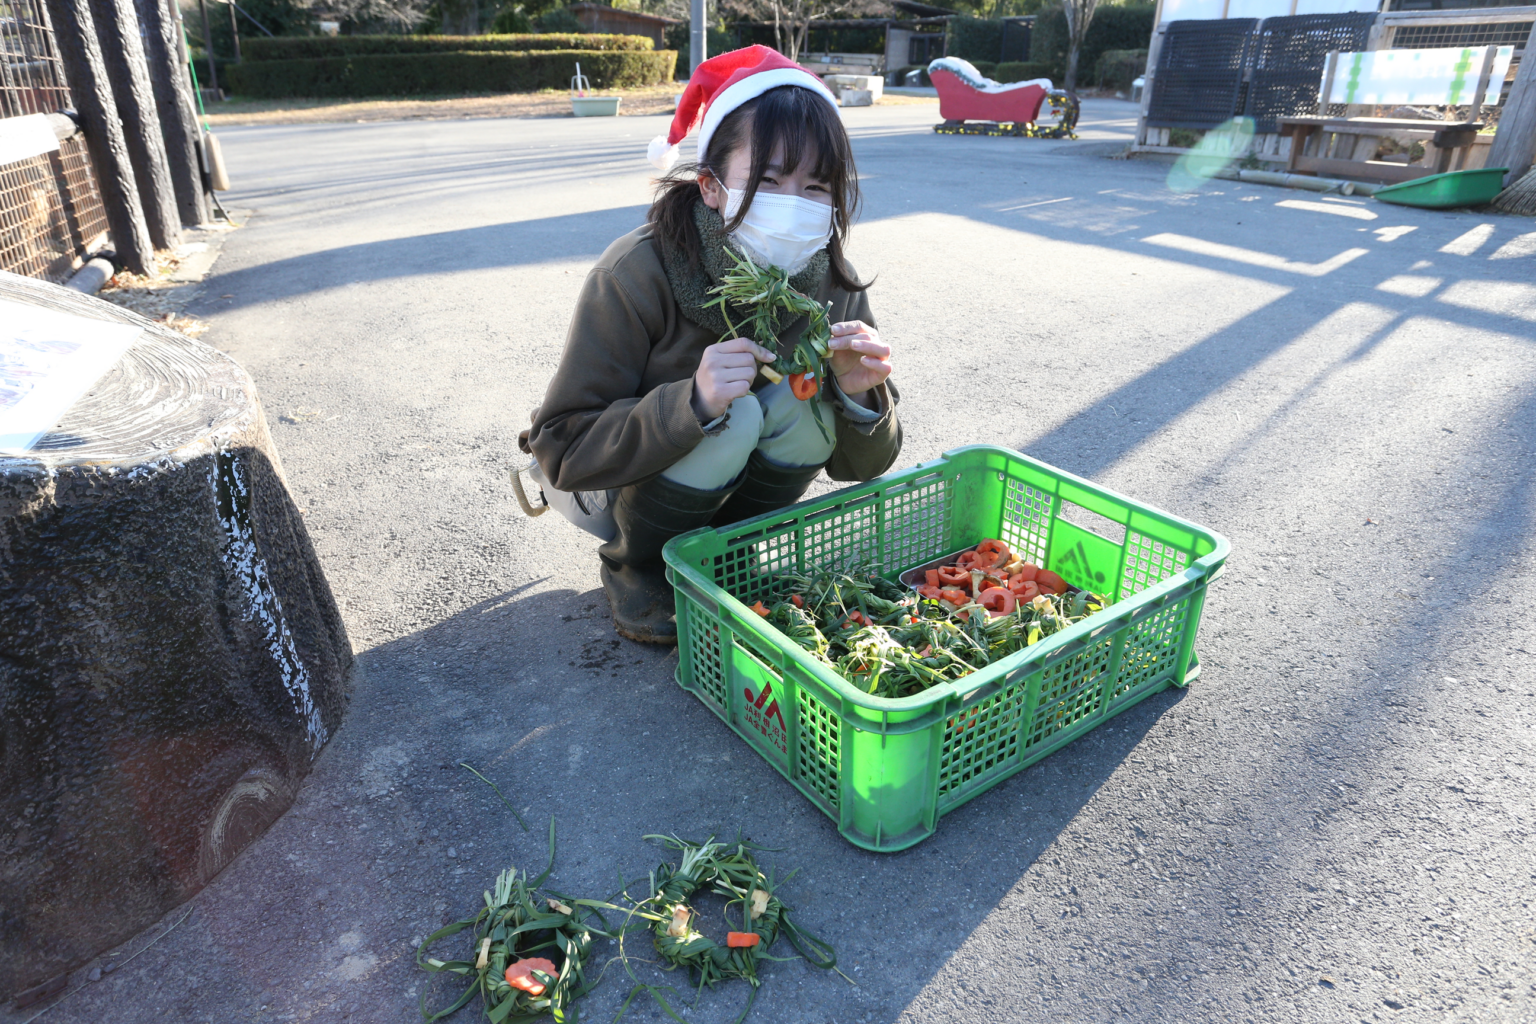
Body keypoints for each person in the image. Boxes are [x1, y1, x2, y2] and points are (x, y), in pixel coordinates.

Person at [520, 46, 902, 644]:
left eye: (816, 185)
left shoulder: (829, 277)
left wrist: (862, 398)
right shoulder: (635, 272)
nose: (794, 205)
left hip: (723, 482)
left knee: (809, 404)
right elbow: (563, 449)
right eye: (770, 179)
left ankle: (730, 556)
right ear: (712, 186)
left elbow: (863, 466)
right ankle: (638, 566)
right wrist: (690, 403)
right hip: (616, 487)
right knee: (736, 412)